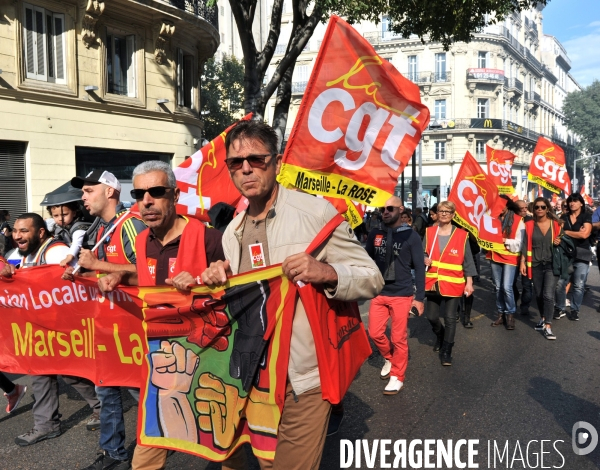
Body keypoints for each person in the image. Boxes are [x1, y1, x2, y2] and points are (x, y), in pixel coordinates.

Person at [201, 119, 383, 470]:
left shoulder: (315, 213)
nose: (246, 169)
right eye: (236, 164)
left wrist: (326, 272)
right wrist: (217, 278)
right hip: (253, 377)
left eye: (257, 159)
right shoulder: (231, 232)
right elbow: (246, 298)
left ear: (278, 162)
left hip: (304, 377)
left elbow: (371, 278)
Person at [98, 160, 225, 470]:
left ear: (175, 195)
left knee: (224, 445)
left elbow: (239, 286)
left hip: (209, 358)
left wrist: (208, 277)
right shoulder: (143, 241)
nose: (147, 201)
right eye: (139, 193)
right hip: (161, 358)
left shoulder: (209, 238)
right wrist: (119, 278)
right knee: (148, 446)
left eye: (156, 192)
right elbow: (146, 279)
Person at [67, 171, 147, 470]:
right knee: (106, 389)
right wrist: (81, 274)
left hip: (133, 328)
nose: (83, 197)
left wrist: (96, 265)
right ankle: (114, 454)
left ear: (111, 192)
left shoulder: (130, 223)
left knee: (141, 393)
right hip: (109, 326)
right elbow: (106, 274)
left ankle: (162, 446)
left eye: (89, 190)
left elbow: (145, 270)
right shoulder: (101, 227)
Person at [3, 213, 102, 445]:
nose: (17, 236)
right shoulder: (21, 254)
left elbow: (79, 283)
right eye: (16, 231)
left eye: (24, 231)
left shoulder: (55, 252)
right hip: (39, 327)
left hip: (62, 327)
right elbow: (13, 273)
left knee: (69, 373)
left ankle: (103, 407)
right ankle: (47, 424)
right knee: (43, 373)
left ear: (39, 233)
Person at [366, 196, 425, 395]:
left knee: (398, 337)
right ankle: (390, 358)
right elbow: (367, 260)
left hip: (402, 294)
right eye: (383, 208)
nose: (385, 211)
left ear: (401, 210)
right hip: (379, 292)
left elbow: (419, 268)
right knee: (374, 333)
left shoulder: (411, 236)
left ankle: (397, 376)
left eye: (390, 208)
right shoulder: (376, 233)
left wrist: (420, 298)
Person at [423, 201, 476, 366]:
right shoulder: (429, 231)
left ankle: (447, 351)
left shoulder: (462, 235)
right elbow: (421, 252)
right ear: (437, 213)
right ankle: (440, 335)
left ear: (453, 215)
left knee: (450, 318)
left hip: (453, 283)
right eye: (441, 211)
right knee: (431, 317)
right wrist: (423, 258)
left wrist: (470, 282)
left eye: (447, 211)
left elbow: (468, 261)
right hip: (432, 281)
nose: (444, 213)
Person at [520, 197, 562, 340]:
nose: (539, 209)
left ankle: (548, 326)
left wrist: (560, 241)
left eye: (543, 207)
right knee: (538, 294)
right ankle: (543, 317)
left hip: (552, 264)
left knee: (548, 295)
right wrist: (522, 262)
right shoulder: (529, 224)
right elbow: (525, 244)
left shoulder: (556, 224)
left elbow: (565, 243)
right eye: (537, 207)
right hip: (536, 264)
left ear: (548, 209)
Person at [554, 193, 592, 321]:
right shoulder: (564, 217)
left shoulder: (586, 216)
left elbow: (584, 235)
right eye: (570, 201)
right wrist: (572, 233)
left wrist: (566, 233)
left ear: (581, 203)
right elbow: (559, 234)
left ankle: (575, 310)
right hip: (566, 254)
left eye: (575, 201)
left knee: (579, 284)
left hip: (582, 254)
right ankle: (560, 308)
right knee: (560, 283)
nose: (572, 203)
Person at [489, 197, 525, 330]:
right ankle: (500, 313)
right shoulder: (492, 219)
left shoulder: (518, 220)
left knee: (507, 287)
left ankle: (510, 314)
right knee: (498, 287)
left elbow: (519, 243)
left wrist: (504, 240)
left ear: (508, 206)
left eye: (501, 205)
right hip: (495, 256)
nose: (499, 207)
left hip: (510, 257)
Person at [46, 202, 91, 266]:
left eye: (64, 214)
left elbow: (76, 244)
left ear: (74, 213)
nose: (60, 219)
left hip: (82, 262)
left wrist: (69, 257)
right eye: (56, 215)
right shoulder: (56, 225)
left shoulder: (78, 229)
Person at [513, 200, 533, 315]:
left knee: (527, 284)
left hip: (526, 257)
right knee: (511, 283)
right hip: (513, 256)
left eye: (526, 207)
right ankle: (513, 302)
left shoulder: (530, 220)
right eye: (522, 208)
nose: (525, 210)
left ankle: (525, 306)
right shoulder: (511, 220)